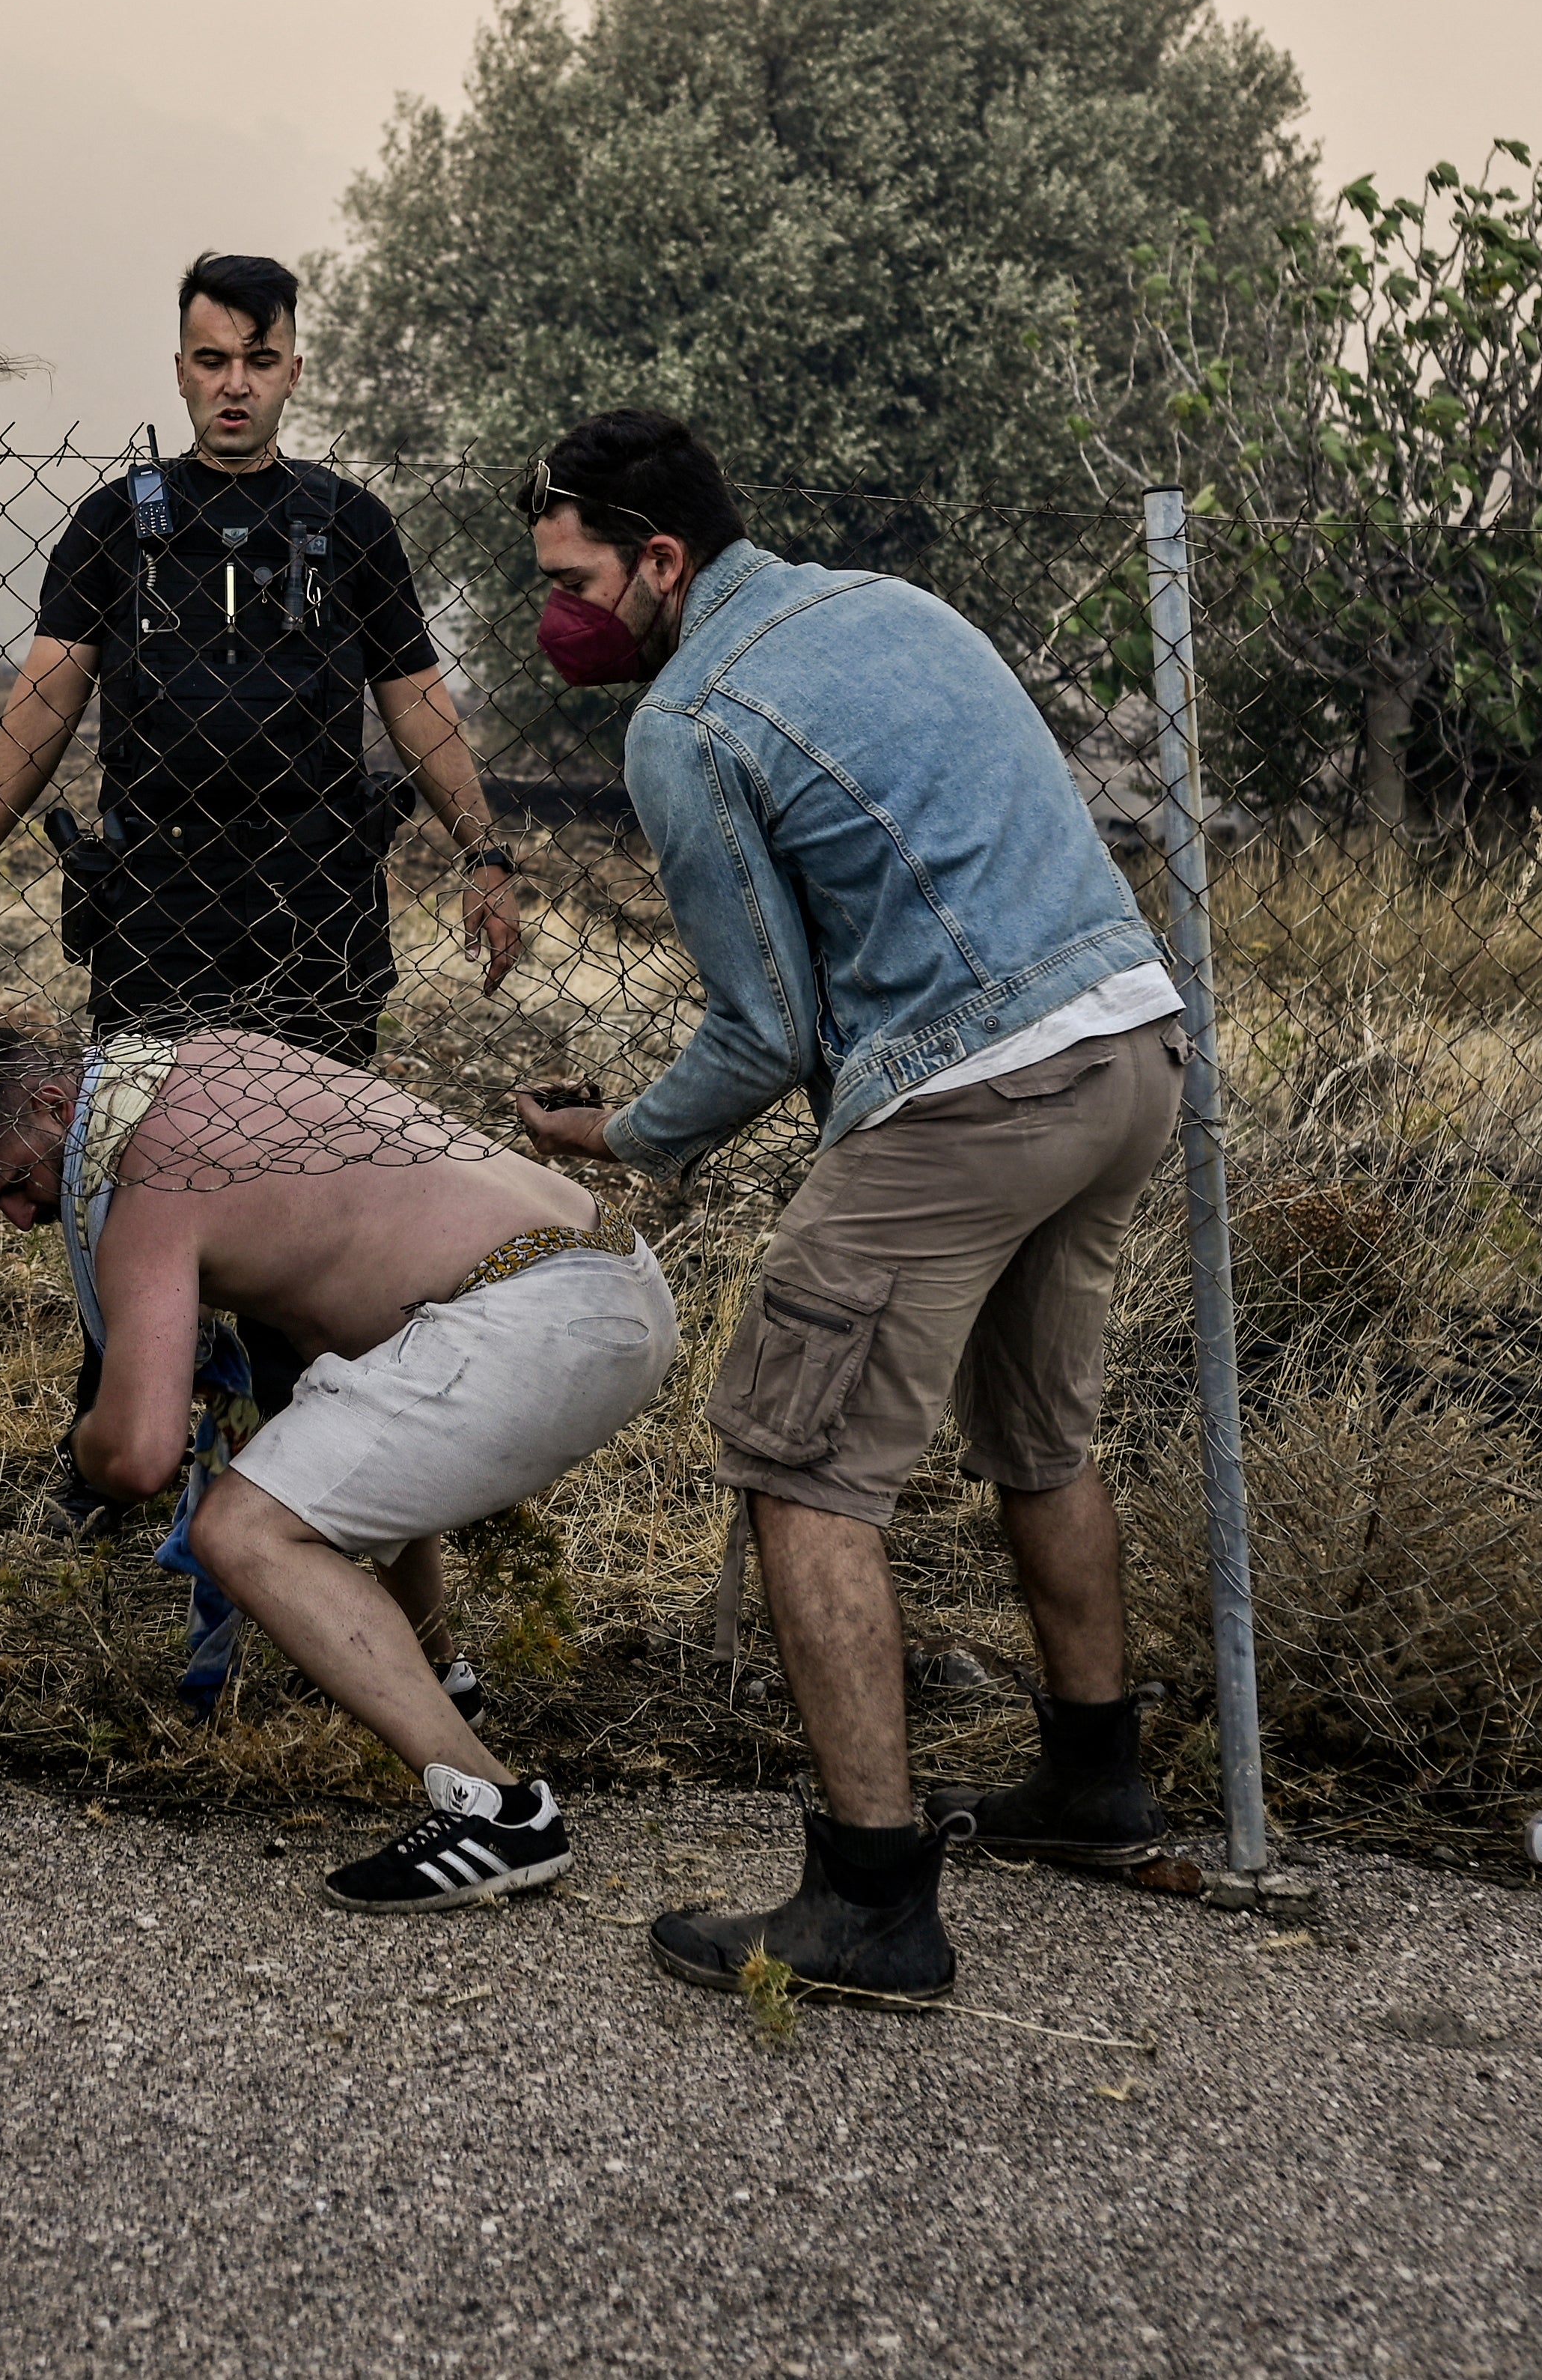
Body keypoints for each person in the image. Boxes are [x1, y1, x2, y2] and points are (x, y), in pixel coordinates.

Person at [504, 409, 1186, 2013]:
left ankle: (874, 1896)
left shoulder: (687, 719)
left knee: (799, 1455)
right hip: (1127, 1048)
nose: (558, 613)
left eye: (574, 577)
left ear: (661, 562)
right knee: (1043, 1432)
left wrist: (619, 1133)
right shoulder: (889, 601)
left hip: (969, 1092)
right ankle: (1098, 1779)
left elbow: (764, 1032)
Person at [0, 1022, 677, 1911]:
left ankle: (494, 1812)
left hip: (546, 1326)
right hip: (610, 1271)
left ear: (54, 1106)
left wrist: (83, 1441)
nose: (15, 1215)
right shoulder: (202, 1054)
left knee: (241, 1528)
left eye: (11, 1181)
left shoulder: (145, 1179)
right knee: (338, 1417)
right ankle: (443, 1684)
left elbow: (138, 1455)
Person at [0, 249, 522, 1063]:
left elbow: (417, 703)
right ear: (181, 371)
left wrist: (484, 856)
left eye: (260, 360)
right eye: (213, 360)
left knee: (325, 1145)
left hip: (318, 895)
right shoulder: (113, 523)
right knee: (154, 1142)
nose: (236, 384)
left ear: (295, 372)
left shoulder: (353, 523)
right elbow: (44, 699)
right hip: (154, 898)